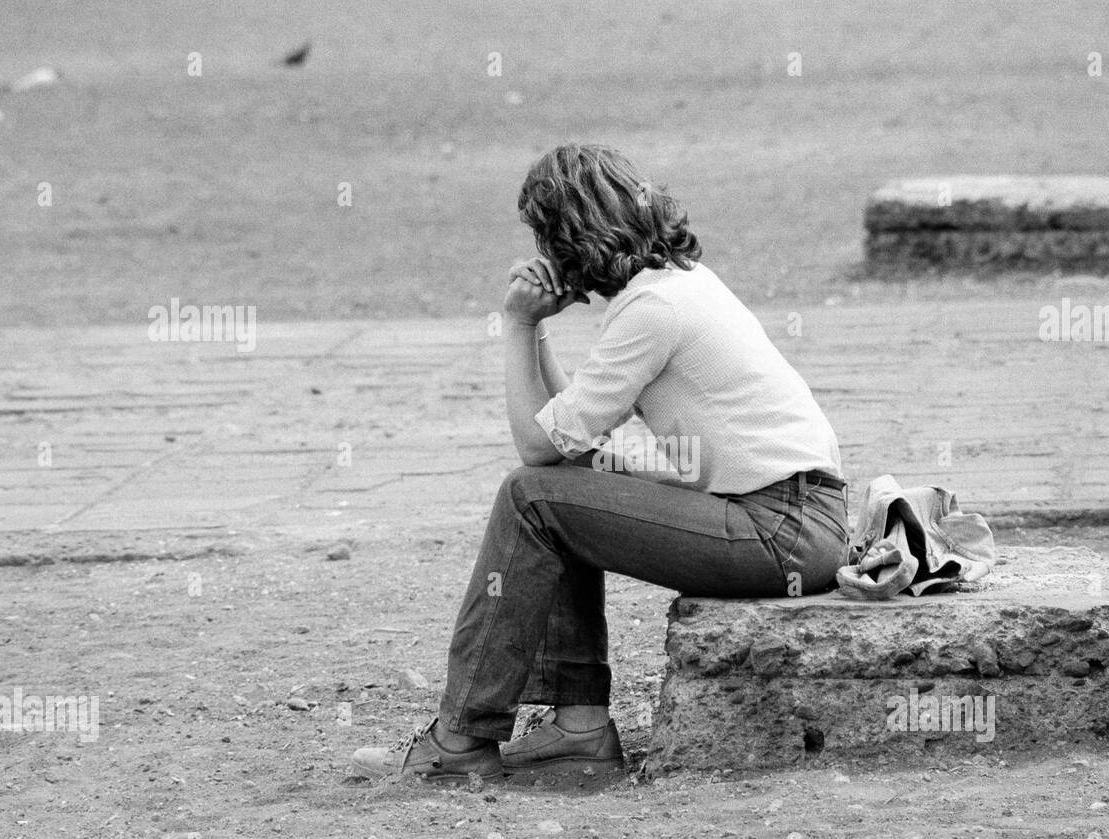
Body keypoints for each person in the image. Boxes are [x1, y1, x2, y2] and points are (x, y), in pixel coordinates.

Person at [351, 143, 848, 782]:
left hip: (780, 534)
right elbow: (568, 437)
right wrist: (540, 329)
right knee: (564, 487)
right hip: (797, 521)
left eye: (543, 233)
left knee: (529, 496)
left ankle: (460, 738)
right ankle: (578, 728)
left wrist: (514, 324)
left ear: (568, 235)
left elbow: (536, 450)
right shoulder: (676, 285)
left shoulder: (653, 310)